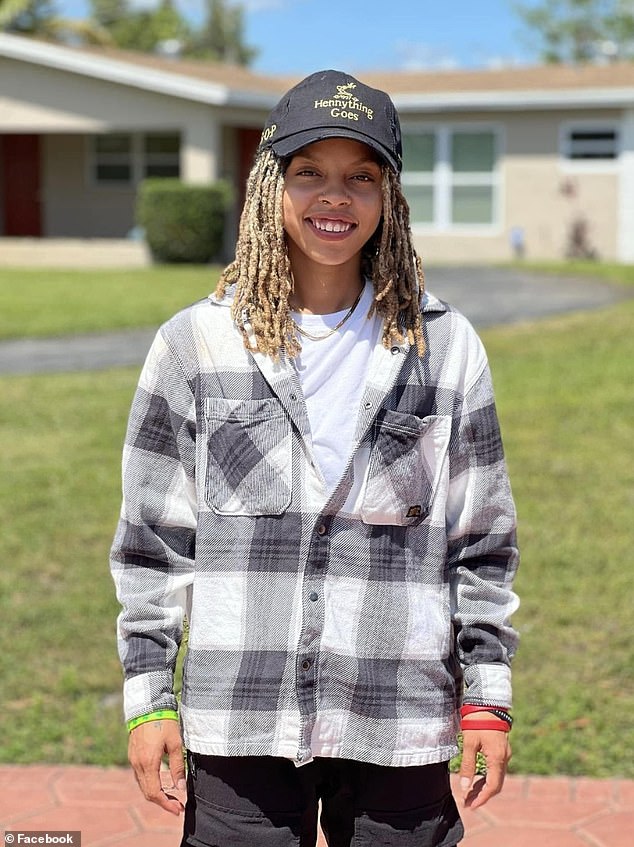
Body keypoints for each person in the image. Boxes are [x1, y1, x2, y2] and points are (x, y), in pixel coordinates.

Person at [110, 69, 520, 847]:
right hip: (241, 716)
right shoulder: (195, 344)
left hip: (398, 711)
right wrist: (150, 698)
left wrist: (487, 698)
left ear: (390, 198)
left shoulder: (446, 347)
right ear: (272, 184)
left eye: (361, 176)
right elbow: (152, 545)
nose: (336, 196)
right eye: (310, 173)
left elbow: (483, 542)